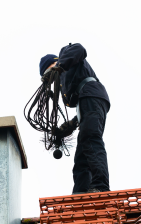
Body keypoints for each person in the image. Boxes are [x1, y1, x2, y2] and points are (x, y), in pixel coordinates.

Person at [39, 43, 111, 194]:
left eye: (48, 73)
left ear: (52, 64)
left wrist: (59, 66)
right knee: (81, 157)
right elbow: (85, 106)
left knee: (90, 139)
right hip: (88, 101)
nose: (51, 80)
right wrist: (72, 124)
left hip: (92, 95)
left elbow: (80, 48)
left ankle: (100, 186)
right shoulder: (66, 82)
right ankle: (80, 194)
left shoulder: (65, 55)